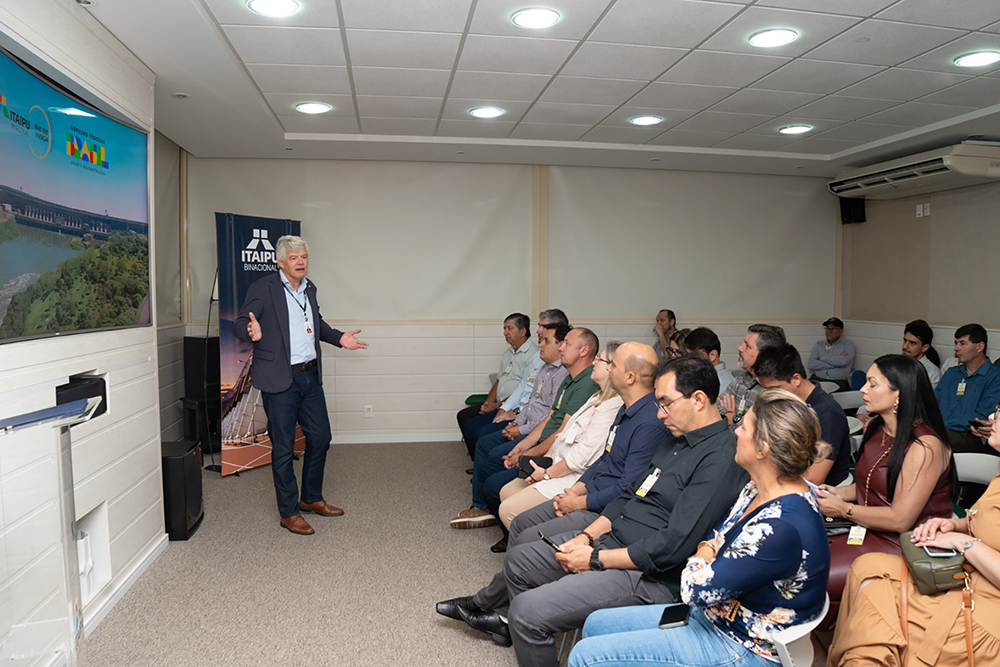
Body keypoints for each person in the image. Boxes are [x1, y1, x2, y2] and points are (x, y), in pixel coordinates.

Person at [437, 355, 748, 667]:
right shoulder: (676, 439)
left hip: (646, 575)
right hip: (612, 541)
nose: (659, 413)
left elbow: (672, 546)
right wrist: (586, 536)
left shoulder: (720, 458)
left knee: (526, 611)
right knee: (518, 560)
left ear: (698, 400)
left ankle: (527, 622)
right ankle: (519, 626)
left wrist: (595, 559)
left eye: (665, 403)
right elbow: (630, 494)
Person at [569, 390, 831, 667]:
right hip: (719, 615)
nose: (735, 431)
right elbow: (715, 538)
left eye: (744, 426)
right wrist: (707, 550)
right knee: (596, 624)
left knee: (585, 657)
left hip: (742, 644)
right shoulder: (756, 488)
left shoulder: (778, 526)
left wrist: (704, 551)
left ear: (762, 448)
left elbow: (693, 590)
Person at [434, 343, 670, 644]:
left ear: (631, 377)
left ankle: (493, 608)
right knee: (521, 524)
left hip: (605, 508)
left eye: (612, 365)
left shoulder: (649, 421)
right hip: (589, 492)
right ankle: (504, 611)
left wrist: (579, 501)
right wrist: (576, 489)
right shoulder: (626, 409)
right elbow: (604, 461)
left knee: (523, 541)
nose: (606, 367)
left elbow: (626, 487)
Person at [827, 404, 1000, 666]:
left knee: (876, 600)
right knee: (866, 567)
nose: (991, 417)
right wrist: (953, 525)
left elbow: (900, 517)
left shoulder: (925, 444)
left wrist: (964, 542)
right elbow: (988, 521)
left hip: (987, 601)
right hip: (971, 573)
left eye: (999, 412)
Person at [234, 235, 368, 536]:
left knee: (321, 437)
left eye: (304, 257)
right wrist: (249, 330)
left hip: (309, 376)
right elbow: (240, 323)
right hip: (280, 378)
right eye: (294, 258)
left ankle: (310, 497)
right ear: (280, 262)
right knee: (283, 448)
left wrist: (339, 338)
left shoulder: (310, 288)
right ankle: (289, 512)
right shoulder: (263, 288)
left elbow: (315, 323)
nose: (300, 262)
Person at [817, 355, 955, 624]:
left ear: (898, 394)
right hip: (868, 528)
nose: (862, 389)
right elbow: (869, 485)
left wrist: (843, 510)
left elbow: (900, 519)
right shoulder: (878, 428)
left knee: (813, 575)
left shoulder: (925, 446)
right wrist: (835, 493)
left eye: (872, 384)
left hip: (907, 543)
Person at [495, 341, 625, 537]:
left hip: (571, 477)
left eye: (599, 359)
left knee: (508, 510)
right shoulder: (596, 397)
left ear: (612, 368)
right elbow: (563, 435)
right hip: (557, 465)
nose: (593, 362)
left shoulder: (611, 407)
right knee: (505, 491)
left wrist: (547, 473)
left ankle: (529, 545)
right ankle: (522, 542)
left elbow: (581, 459)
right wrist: (544, 462)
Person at [451, 324, 569, 528]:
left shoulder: (562, 375)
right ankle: (481, 505)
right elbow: (531, 402)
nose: (540, 344)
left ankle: (484, 505)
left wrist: (520, 430)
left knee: (492, 454)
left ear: (561, 346)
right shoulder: (544, 367)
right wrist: (516, 421)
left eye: (545, 341)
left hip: (536, 432)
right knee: (483, 442)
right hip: (524, 422)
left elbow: (547, 416)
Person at [464, 310, 569, 460]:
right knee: (474, 428)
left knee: (485, 439)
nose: (538, 330)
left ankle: (487, 466)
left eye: (544, 327)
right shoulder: (540, 360)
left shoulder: (556, 367)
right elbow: (524, 388)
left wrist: (514, 417)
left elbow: (548, 413)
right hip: (521, 413)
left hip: (529, 420)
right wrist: (505, 410)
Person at [754, 344, 852, 486]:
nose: (771, 395)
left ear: (796, 379)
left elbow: (814, 478)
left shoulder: (828, 413)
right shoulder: (790, 403)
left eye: (775, 388)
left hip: (823, 489)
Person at [457, 313, 536, 458]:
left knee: (481, 431)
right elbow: (500, 380)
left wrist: (497, 406)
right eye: (504, 328)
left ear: (522, 331)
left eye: (509, 328)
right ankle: (477, 460)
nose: (505, 332)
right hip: (500, 404)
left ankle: (485, 460)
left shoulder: (533, 355)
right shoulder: (507, 354)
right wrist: (489, 402)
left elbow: (524, 390)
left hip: (514, 407)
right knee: (464, 417)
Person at [935, 323, 1000, 456]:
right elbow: (932, 403)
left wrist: (942, 424)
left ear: (980, 347)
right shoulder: (951, 373)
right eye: (956, 343)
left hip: (969, 436)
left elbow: (982, 417)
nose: (956, 348)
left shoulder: (994, 376)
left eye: (962, 343)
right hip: (940, 431)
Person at [719, 324, 786, 425]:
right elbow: (715, 409)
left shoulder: (773, 392)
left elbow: (756, 430)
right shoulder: (742, 379)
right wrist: (734, 418)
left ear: (764, 356)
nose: (739, 348)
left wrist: (733, 419)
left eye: (747, 346)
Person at [808, 317, 855, 392]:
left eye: (834, 329)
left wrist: (822, 358)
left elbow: (843, 361)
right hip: (818, 379)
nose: (830, 331)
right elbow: (811, 364)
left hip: (838, 382)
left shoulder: (848, 345)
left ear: (841, 331)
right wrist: (835, 365)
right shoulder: (819, 345)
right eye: (828, 329)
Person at [685, 326, 734, 394]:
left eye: (694, 357)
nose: (689, 361)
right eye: (687, 356)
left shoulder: (722, 383)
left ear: (713, 355)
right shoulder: (702, 376)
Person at [902, 318, 942, 389]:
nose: (905, 346)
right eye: (905, 341)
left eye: (912, 343)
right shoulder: (897, 365)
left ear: (924, 348)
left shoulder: (932, 373)